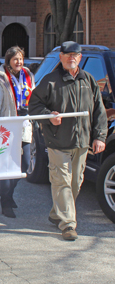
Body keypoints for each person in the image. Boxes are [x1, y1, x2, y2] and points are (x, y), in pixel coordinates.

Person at [29, 41, 107, 241]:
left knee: (75, 183)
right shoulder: (51, 81)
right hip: (58, 142)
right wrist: (49, 115)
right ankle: (68, 224)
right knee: (61, 181)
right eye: (67, 54)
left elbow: (99, 111)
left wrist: (99, 137)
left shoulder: (88, 80)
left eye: (75, 55)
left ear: (80, 58)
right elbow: (34, 105)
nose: (71, 58)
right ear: (61, 57)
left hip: (82, 143)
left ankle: (57, 214)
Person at [0, 46, 35, 218]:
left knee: (25, 165)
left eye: (21, 58)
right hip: (6, 130)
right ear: (8, 61)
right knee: (7, 168)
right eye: (15, 59)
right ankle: (6, 202)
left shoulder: (28, 77)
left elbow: (34, 98)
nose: (19, 62)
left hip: (24, 126)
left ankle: (6, 193)